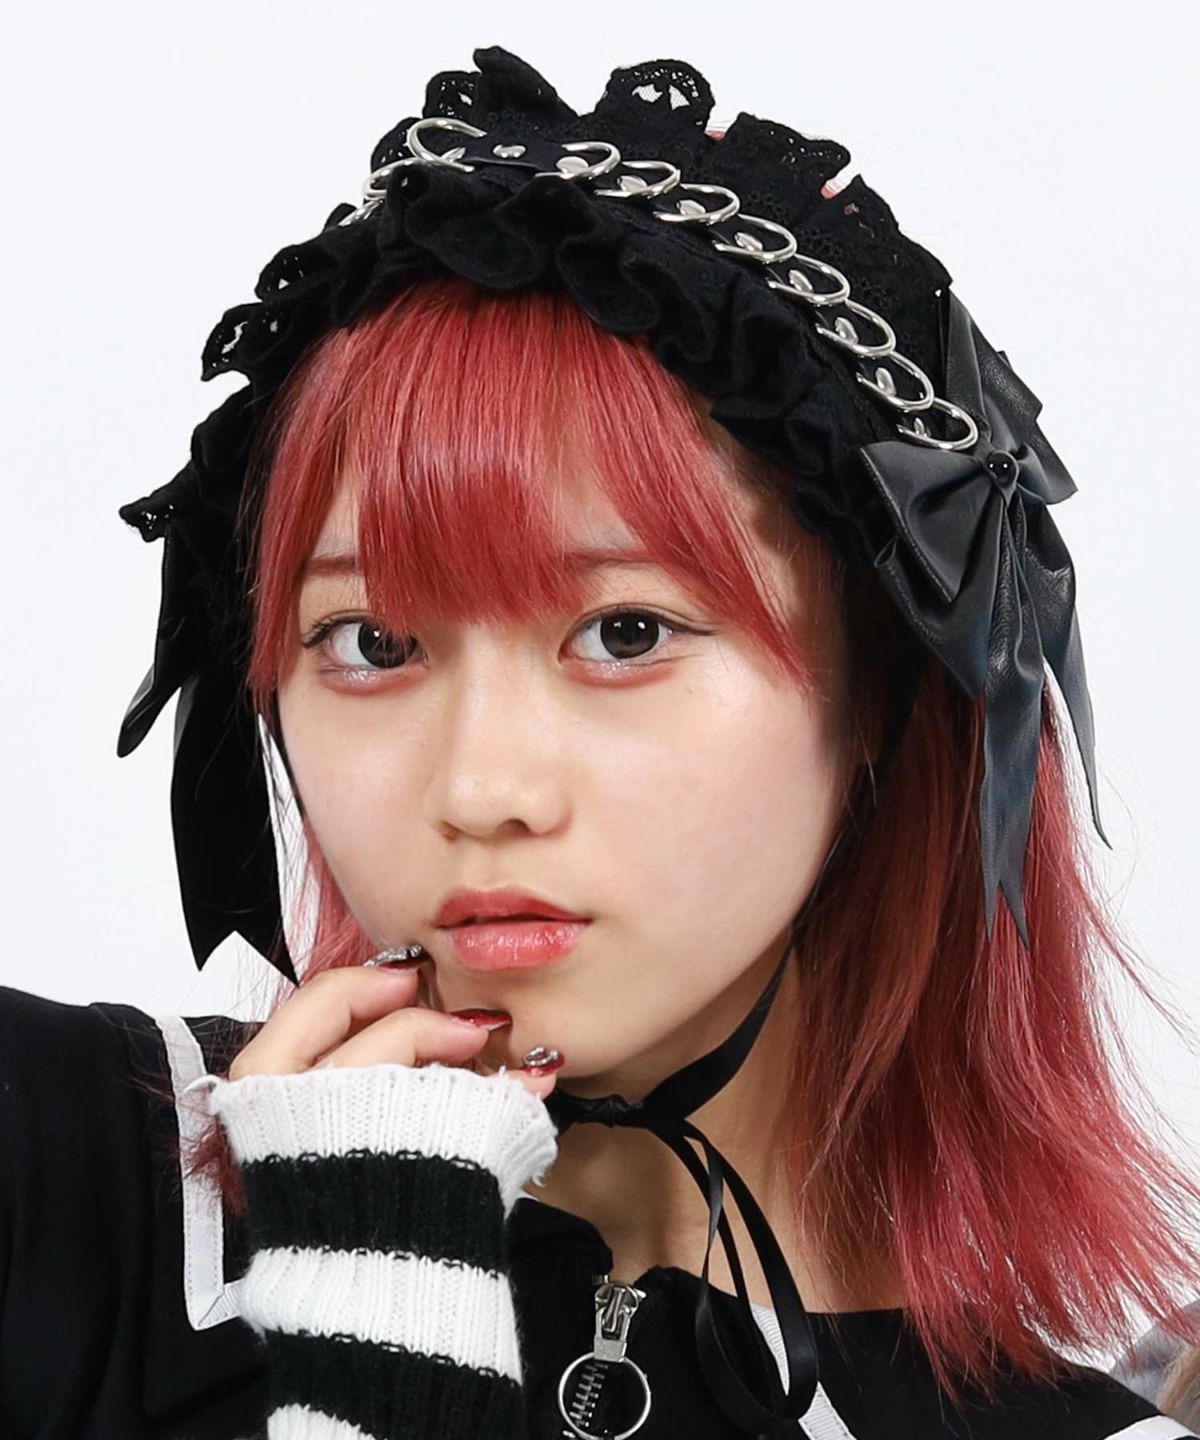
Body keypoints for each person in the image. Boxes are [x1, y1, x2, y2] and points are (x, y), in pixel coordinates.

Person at [2, 44, 1198, 1440]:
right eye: (372, 643)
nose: (481, 790)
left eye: (626, 632)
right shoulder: (52, 1171)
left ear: (883, 688)